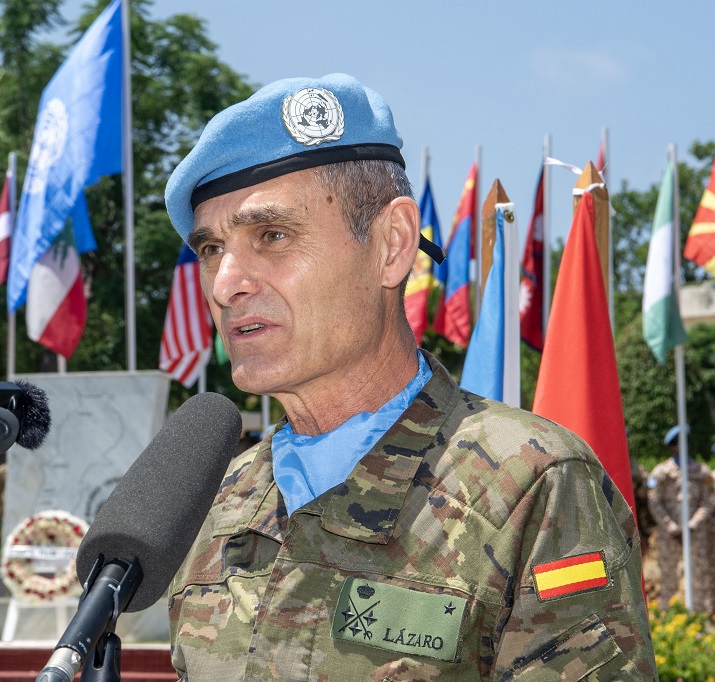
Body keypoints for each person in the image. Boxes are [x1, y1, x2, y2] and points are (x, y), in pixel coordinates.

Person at [163, 74, 655, 679]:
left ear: (392, 244)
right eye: (211, 248)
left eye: (272, 235)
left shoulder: (531, 489)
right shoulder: (217, 501)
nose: (224, 283)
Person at [648, 425, 715, 614]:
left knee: (699, 576)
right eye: (676, 443)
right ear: (671, 447)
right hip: (669, 534)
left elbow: (709, 501)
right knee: (668, 575)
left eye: (684, 442)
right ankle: (668, 616)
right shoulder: (662, 472)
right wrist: (671, 526)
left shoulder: (701, 471)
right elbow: (654, 502)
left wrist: (693, 523)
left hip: (696, 532)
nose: (681, 446)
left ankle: (698, 617)